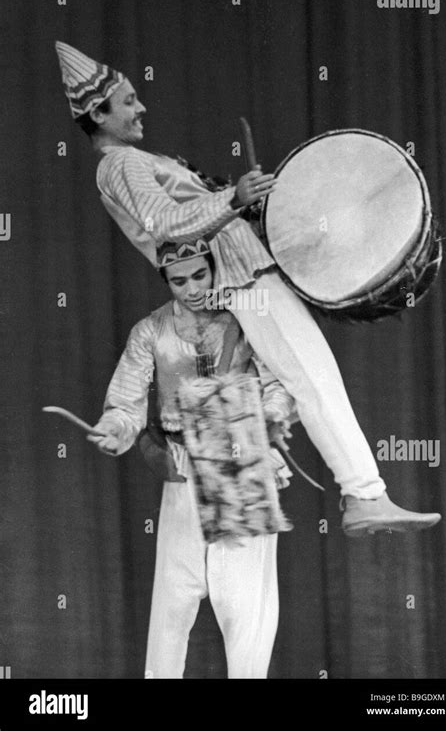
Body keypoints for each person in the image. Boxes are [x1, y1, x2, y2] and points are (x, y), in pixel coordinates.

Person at [56, 40, 441, 536]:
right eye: (129, 100)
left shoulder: (127, 162)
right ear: (97, 112)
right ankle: (364, 495)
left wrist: (242, 205)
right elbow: (167, 223)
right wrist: (233, 198)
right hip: (238, 276)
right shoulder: (120, 164)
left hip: (239, 271)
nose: (140, 107)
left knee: (310, 379)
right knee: (311, 378)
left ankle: (364, 493)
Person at [87, 239, 294, 678]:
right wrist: (114, 428)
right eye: (179, 280)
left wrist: (263, 426)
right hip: (183, 470)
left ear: (213, 269)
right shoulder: (151, 330)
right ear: (166, 280)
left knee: (246, 610)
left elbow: (280, 386)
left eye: (200, 275)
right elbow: (126, 404)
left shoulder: (248, 316)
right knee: (171, 607)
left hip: (242, 466)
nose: (193, 287)